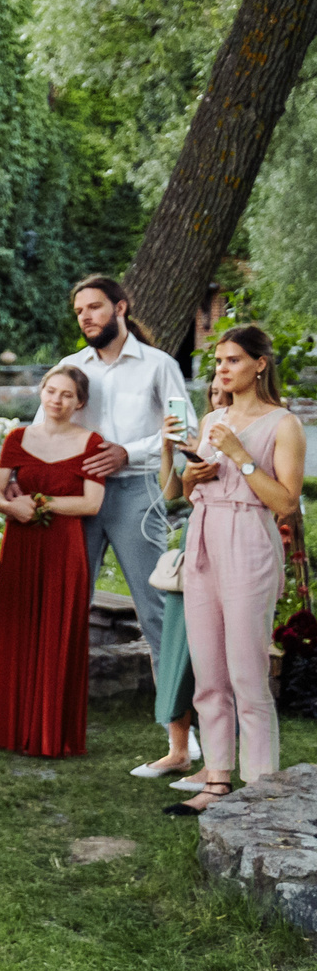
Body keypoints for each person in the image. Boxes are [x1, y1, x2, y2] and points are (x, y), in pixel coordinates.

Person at [167, 326, 306, 815]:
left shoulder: (282, 424)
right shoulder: (213, 418)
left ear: (259, 364)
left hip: (249, 540)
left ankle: (262, 783)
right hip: (204, 536)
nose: (222, 369)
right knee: (208, 669)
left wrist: (241, 457)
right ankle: (218, 778)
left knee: (247, 669)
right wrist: (191, 476)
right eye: (219, 362)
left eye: (232, 360)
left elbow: (286, 504)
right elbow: (190, 494)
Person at [0, 366, 108, 758]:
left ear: (80, 402)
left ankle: (52, 732)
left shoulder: (92, 443)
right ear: (41, 392)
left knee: (58, 628)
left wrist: (38, 503)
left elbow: (91, 503)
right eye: (51, 391)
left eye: (67, 395)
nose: (57, 400)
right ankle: (11, 729)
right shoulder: (18, 438)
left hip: (63, 546)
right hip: (21, 542)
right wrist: (12, 508)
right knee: (18, 627)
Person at [60, 275, 187, 666]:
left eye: (94, 307)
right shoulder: (69, 367)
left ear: (120, 307)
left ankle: (179, 723)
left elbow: (185, 430)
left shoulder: (159, 365)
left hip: (137, 496)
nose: (86, 317)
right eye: (79, 311)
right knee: (66, 607)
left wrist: (126, 454)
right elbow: (43, 429)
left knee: (154, 608)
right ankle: (57, 721)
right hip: (80, 497)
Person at [134, 386, 223, 780]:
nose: (221, 399)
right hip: (195, 543)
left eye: (226, 393)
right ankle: (178, 750)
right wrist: (171, 448)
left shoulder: (260, 431)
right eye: (214, 394)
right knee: (176, 646)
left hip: (235, 545)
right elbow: (174, 496)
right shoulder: (206, 431)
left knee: (216, 657)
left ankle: (218, 760)